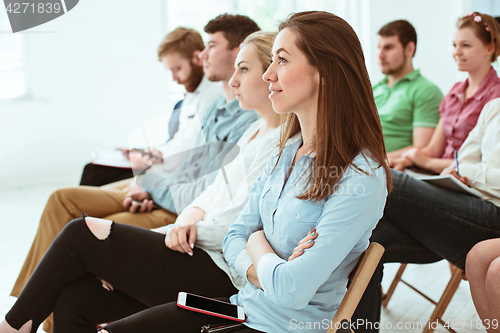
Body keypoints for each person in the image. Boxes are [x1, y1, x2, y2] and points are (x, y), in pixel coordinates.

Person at [1, 11, 391, 333]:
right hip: (241, 307)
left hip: (271, 326)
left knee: (81, 243)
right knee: (74, 300)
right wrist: (262, 250)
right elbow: (240, 231)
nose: (270, 74)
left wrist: (257, 248)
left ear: (324, 71)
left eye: (282, 60)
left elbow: (289, 291)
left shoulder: (360, 178)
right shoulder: (289, 150)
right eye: (270, 61)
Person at [10, 13, 260, 332]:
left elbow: (212, 203)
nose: (203, 55)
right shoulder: (219, 110)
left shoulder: (249, 126)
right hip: (177, 203)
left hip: (185, 219)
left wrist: (159, 192)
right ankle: (33, 311)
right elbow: (193, 172)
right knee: (69, 207)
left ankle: (26, 317)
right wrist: (156, 181)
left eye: (211, 46)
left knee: (81, 234)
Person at [351, 96, 500, 332]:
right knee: (370, 240)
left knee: (385, 179)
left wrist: (469, 172)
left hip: (493, 215)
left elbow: (468, 167)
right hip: (463, 199)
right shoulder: (494, 106)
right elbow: (464, 158)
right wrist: (458, 172)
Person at [79, 27, 223, 186]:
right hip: (164, 164)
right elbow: (179, 139)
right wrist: (150, 152)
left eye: (177, 69)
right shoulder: (191, 94)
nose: (174, 79)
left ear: (197, 58)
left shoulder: (213, 94)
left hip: (173, 173)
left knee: (94, 173)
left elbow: (191, 146)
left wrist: (153, 157)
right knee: (93, 168)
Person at [390, 12, 500, 174]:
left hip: (465, 184)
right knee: (389, 173)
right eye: (454, 45)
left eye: (466, 45)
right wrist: (404, 160)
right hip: (438, 175)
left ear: (489, 48)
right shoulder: (455, 91)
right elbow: (433, 149)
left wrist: (427, 163)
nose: (457, 52)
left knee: (394, 182)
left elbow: (481, 164)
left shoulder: (496, 96)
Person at [373, 20, 443, 158]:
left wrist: (374, 162)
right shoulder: (373, 89)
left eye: (388, 48)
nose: (380, 55)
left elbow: (421, 150)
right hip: (364, 165)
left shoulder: (426, 91)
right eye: (378, 47)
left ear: (410, 49)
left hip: (395, 170)